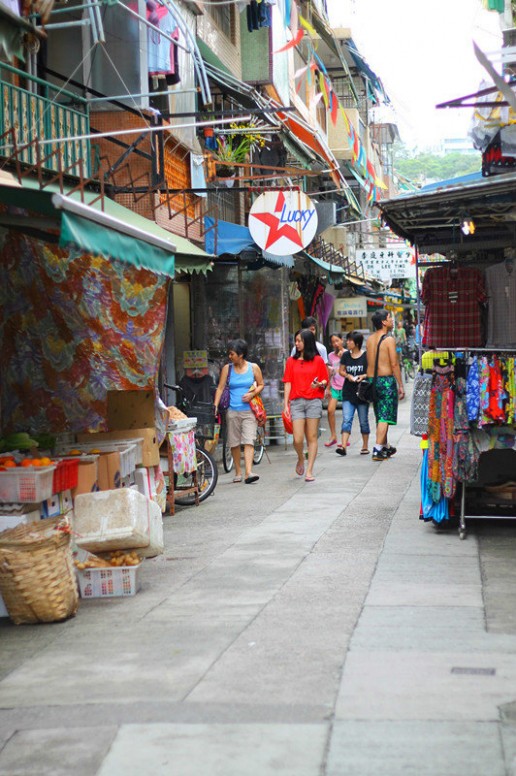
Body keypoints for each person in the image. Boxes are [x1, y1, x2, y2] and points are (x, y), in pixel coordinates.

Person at [213, 339, 264, 484]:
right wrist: (215, 405)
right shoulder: (227, 369)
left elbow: (261, 384)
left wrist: (252, 394)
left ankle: (248, 472)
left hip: (249, 411)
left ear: (241, 355)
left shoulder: (253, 368)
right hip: (232, 410)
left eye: (232, 354)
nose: (230, 356)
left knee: (249, 440)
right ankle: (238, 471)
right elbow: (221, 388)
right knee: (234, 442)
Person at [283, 329, 328, 482]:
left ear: (307, 342)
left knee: (312, 436)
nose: (296, 344)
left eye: (299, 341)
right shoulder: (291, 361)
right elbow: (288, 382)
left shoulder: (318, 360)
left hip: (314, 401)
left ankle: (309, 470)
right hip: (296, 402)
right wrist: (286, 405)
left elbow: (324, 380)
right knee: (297, 439)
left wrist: (319, 384)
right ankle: (301, 458)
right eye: (296, 341)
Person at [366, 310, 405, 462]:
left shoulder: (369, 339)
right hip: (386, 380)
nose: (392, 321)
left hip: (372, 380)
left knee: (379, 414)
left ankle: (384, 446)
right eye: (390, 318)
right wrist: (400, 384)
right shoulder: (389, 340)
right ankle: (377, 449)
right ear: (383, 322)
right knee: (384, 416)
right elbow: (394, 363)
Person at [337, 331, 370, 456]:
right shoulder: (346, 355)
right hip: (348, 392)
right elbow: (341, 371)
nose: (347, 342)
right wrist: (348, 375)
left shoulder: (365, 356)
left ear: (356, 343)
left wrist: (363, 375)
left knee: (363, 420)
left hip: (362, 393)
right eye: (348, 340)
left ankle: (365, 446)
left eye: (350, 340)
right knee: (347, 419)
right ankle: (343, 446)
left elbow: (371, 371)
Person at [324, 333, 345, 447]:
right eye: (333, 342)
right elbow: (328, 373)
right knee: (330, 410)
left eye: (337, 341)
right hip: (335, 386)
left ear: (342, 340)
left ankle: (344, 438)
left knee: (347, 414)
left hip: (346, 387)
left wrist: (343, 358)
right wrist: (327, 387)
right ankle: (333, 436)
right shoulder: (330, 356)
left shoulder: (348, 353)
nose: (335, 344)